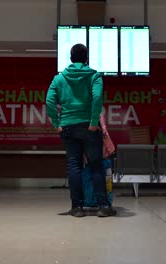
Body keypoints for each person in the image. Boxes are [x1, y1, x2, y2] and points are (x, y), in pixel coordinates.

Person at [46, 43, 115, 217]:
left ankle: (77, 207)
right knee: (95, 165)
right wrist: (93, 121)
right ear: (86, 59)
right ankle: (102, 206)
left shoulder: (59, 79)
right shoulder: (94, 76)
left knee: (74, 166)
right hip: (89, 127)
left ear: (70, 59)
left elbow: (49, 102)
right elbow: (98, 98)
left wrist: (57, 124)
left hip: (68, 127)